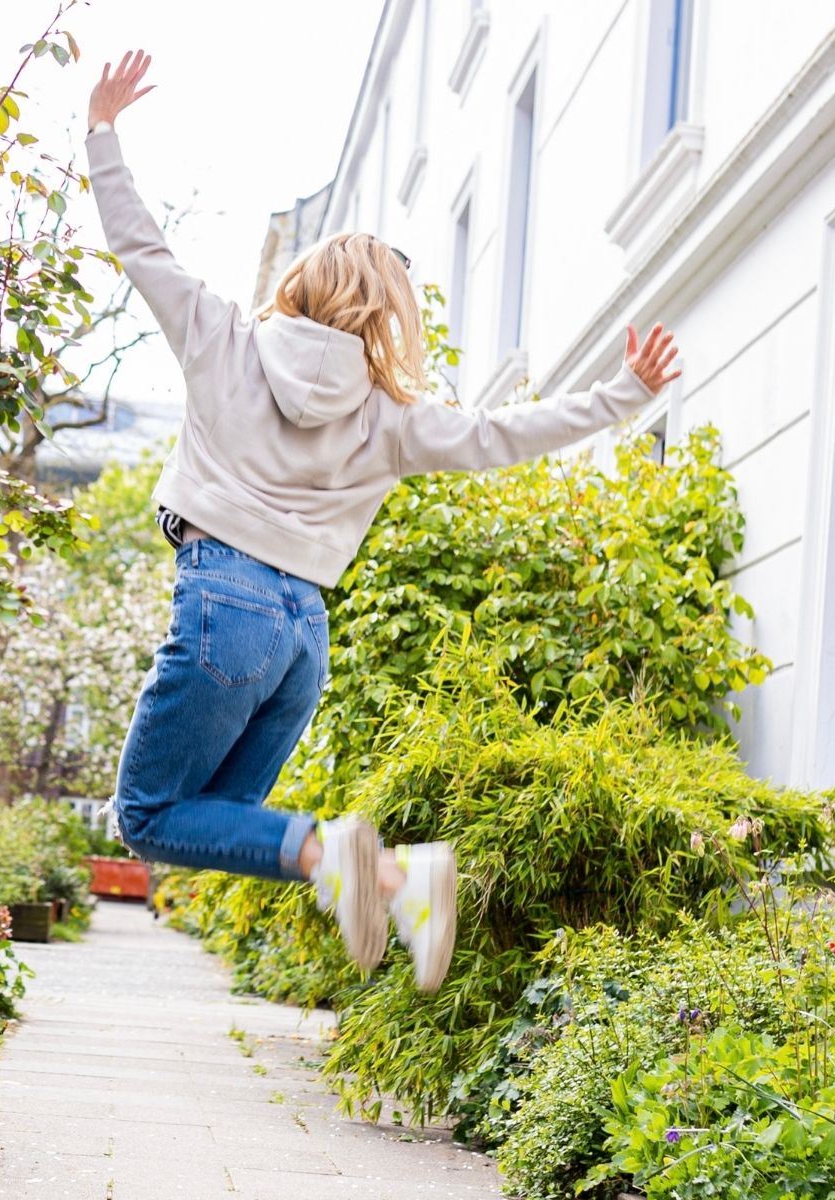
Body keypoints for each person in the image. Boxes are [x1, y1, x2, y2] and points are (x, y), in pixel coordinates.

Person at [86, 50, 681, 992]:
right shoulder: (391, 418)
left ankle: (373, 866)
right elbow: (502, 433)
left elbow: (143, 248)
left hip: (222, 608)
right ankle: (392, 879)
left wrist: (103, 133)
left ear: (299, 286)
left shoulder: (220, 341)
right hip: (300, 639)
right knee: (217, 822)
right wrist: (619, 396)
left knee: (149, 816)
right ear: (381, 316)